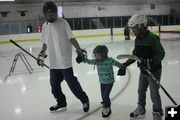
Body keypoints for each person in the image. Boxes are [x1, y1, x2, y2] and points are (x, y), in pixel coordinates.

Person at [37, 1, 89, 113]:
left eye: (52, 14)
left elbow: (71, 38)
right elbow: (45, 43)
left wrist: (79, 50)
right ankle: (61, 103)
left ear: (56, 13)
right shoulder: (45, 26)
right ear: (44, 14)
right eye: (48, 15)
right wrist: (41, 54)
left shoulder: (63, 23)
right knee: (54, 87)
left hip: (64, 61)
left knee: (72, 84)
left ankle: (84, 100)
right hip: (53, 62)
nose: (50, 16)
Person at [122, 14, 165, 120]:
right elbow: (135, 55)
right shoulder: (137, 39)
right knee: (140, 91)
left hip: (153, 71)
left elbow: (161, 53)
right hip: (143, 71)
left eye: (134, 28)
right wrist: (125, 64)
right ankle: (141, 108)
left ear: (141, 26)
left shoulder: (152, 38)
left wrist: (151, 61)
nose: (132, 30)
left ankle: (157, 112)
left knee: (154, 93)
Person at [79, 45, 126, 118]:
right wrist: (83, 59)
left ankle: (107, 107)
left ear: (104, 54)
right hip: (102, 81)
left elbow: (118, 64)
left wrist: (122, 67)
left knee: (105, 95)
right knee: (103, 96)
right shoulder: (97, 61)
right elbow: (89, 61)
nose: (96, 57)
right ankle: (105, 102)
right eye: (95, 55)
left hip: (109, 82)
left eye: (97, 55)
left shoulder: (110, 60)